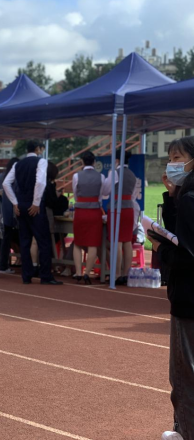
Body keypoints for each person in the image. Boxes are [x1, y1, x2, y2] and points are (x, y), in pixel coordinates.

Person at [148, 136, 194, 440]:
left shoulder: (190, 199)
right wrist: (172, 196)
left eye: (178, 158)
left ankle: (186, 432)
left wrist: (160, 248)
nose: (171, 164)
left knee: (184, 374)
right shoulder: (185, 196)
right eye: (170, 158)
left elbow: (186, 254)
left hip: (188, 297)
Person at [3, 140, 63, 285]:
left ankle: (26, 275)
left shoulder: (18, 164)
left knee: (25, 241)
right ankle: (45, 276)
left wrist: (15, 202)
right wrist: (36, 203)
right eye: (41, 148)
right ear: (38, 149)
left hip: (21, 205)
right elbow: (40, 182)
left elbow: (6, 183)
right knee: (43, 241)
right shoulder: (41, 162)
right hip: (35, 205)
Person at [102, 150, 137, 286]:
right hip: (129, 208)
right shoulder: (132, 175)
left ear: (116, 160)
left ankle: (116, 274)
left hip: (117, 208)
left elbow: (105, 191)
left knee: (116, 241)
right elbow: (133, 195)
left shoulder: (114, 172)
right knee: (127, 241)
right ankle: (126, 274)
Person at [71, 151, 105, 285]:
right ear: (94, 162)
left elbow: (75, 194)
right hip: (95, 212)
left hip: (80, 211)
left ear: (82, 162)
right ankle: (87, 273)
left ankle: (78, 272)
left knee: (78, 242)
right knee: (93, 244)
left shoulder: (76, 176)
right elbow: (101, 196)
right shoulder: (101, 177)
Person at [0, 158, 19, 274]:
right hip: (10, 210)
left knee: (1, 238)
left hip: (0, 211)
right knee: (7, 238)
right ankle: (3, 265)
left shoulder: (0, 176)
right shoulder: (15, 177)